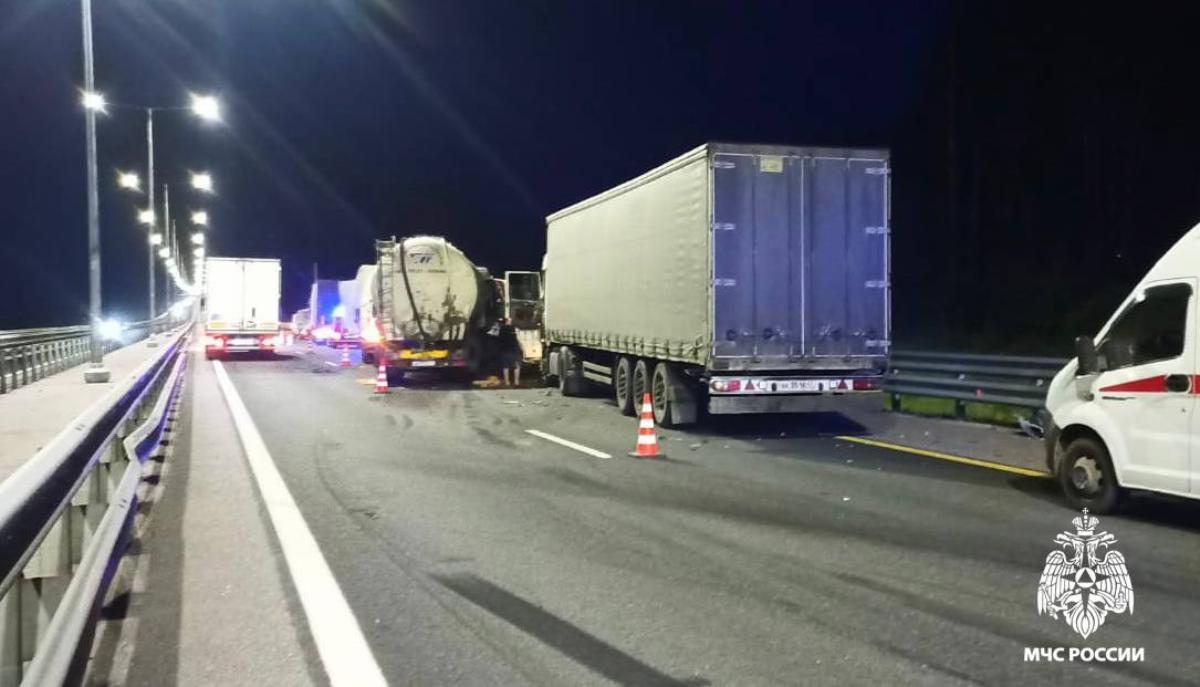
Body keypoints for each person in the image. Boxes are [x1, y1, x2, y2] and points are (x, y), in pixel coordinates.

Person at [497, 318, 522, 386]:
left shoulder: (501, 329)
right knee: (516, 366)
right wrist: (522, 348)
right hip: (514, 349)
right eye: (510, 320)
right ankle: (516, 382)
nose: (511, 321)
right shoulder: (514, 329)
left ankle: (507, 382)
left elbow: (497, 338)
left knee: (506, 366)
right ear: (508, 321)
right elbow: (518, 339)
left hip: (505, 350)